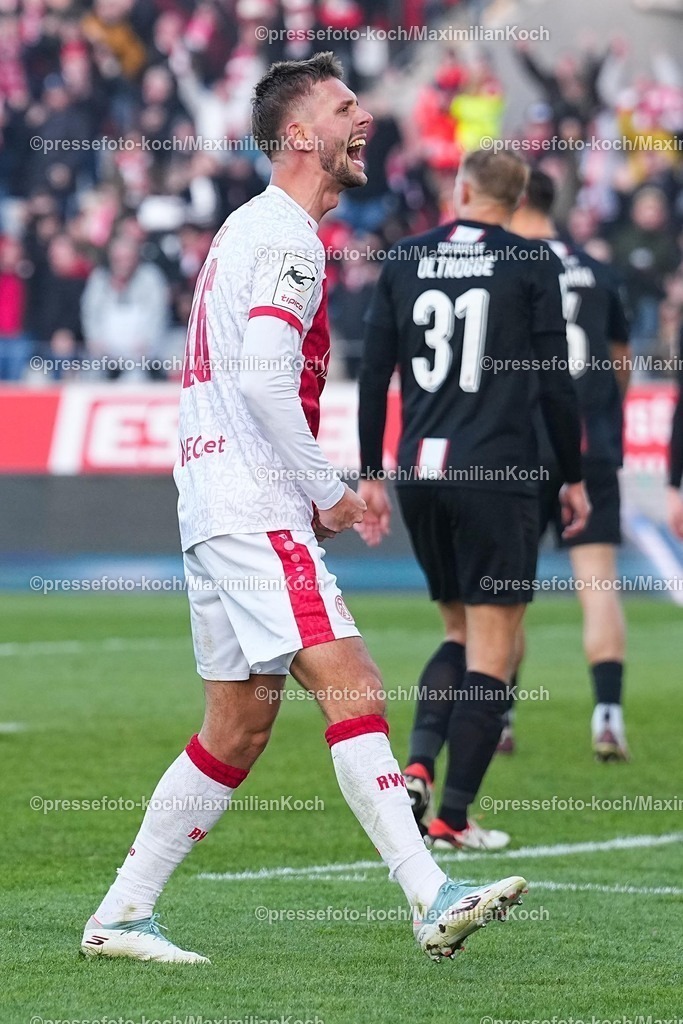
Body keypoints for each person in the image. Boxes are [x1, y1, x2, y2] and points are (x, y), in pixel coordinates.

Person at [81, 53, 527, 967]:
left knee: (238, 724)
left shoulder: (250, 230)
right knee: (355, 682)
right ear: (298, 136)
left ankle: (121, 914)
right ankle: (428, 891)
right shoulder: (284, 236)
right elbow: (260, 378)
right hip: (252, 505)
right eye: (343, 106)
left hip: (211, 501)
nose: (364, 118)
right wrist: (327, 488)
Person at [356, 149, 590, 850]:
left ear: (458, 189)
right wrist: (571, 475)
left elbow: (373, 375)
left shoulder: (403, 258)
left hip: (419, 474)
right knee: (495, 648)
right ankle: (453, 817)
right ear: (516, 201)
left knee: (456, 634)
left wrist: (370, 473)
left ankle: (420, 762)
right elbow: (554, 382)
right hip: (496, 474)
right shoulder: (529, 260)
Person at [510, 169, 631, 763]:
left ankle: (498, 715)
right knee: (599, 584)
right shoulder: (599, 270)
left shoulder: (506, 267)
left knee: (510, 588)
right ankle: (607, 716)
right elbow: (620, 362)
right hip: (591, 444)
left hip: (521, 447)